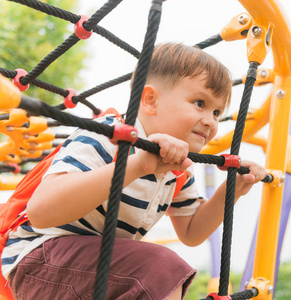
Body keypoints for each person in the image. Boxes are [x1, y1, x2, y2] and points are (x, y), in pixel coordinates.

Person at [1, 43, 267, 300]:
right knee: (161, 267)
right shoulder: (107, 135)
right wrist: (138, 165)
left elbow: (192, 232)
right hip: (39, 264)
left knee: (159, 271)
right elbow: (41, 211)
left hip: (95, 272)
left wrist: (233, 191)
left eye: (217, 112)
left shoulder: (178, 169)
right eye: (200, 103)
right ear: (150, 100)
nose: (210, 120)